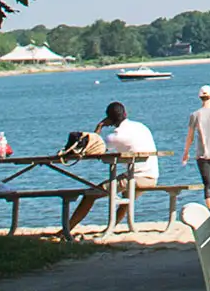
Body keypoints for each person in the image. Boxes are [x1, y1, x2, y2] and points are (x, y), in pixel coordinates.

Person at [61, 101, 158, 237]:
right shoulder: (141, 126)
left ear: (109, 119)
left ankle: (66, 230)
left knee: (90, 195)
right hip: (152, 176)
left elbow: (94, 149)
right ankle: (111, 227)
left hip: (137, 179)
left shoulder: (115, 137)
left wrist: (99, 127)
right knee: (126, 194)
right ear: (125, 113)